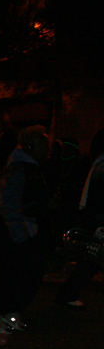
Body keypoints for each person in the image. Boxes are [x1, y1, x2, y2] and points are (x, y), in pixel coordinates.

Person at [0, 125, 51, 333]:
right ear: (30, 147)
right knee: (11, 277)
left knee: (24, 277)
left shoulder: (28, 167)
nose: (46, 151)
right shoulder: (18, 168)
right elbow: (9, 205)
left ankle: (10, 314)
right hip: (16, 233)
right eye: (43, 146)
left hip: (23, 231)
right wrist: (22, 236)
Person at [55, 128, 104, 309]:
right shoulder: (101, 166)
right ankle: (67, 294)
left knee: (92, 260)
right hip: (98, 219)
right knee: (92, 260)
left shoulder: (98, 163)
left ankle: (67, 293)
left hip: (95, 218)